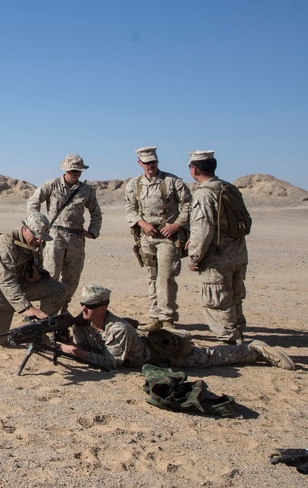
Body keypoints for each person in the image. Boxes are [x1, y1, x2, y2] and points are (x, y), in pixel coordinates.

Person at [59, 284, 294, 371]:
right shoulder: (83, 324)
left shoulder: (118, 328)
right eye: (82, 305)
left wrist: (75, 352)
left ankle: (253, 350)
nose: (84, 309)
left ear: (104, 307)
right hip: (137, 353)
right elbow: (87, 349)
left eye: (90, 306)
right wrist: (69, 345)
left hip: (159, 357)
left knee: (208, 357)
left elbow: (111, 363)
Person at [0, 211, 68, 344]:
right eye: (36, 236)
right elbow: (6, 281)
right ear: (25, 229)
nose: (39, 241)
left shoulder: (37, 243)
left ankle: (38, 330)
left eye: (42, 237)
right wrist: (27, 308)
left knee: (59, 289)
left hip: (21, 284)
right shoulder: (5, 245)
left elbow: (37, 264)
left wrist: (38, 275)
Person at [125, 146, 192, 331]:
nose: (150, 166)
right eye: (146, 163)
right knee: (152, 278)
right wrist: (142, 224)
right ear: (140, 163)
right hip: (146, 238)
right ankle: (154, 317)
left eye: (153, 162)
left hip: (167, 238)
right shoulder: (134, 184)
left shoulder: (173, 182)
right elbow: (130, 209)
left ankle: (167, 318)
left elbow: (188, 205)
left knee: (166, 278)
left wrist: (177, 224)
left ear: (157, 162)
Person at [187, 150, 249, 343]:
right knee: (234, 300)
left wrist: (194, 257)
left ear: (194, 169)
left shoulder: (205, 194)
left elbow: (203, 231)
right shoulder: (229, 188)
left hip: (217, 260)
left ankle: (229, 342)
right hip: (237, 256)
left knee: (217, 303)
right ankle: (238, 336)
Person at [27, 154, 102, 308]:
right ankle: (47, 308)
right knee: (50, 273)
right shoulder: (51, 185)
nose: (76, 174)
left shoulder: (86, 190)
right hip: (55, 236)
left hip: (76, 238)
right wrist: (37, 227)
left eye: (79, 171)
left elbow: (96, 213)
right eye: (73, 171)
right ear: (66, 170)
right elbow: (33, 202)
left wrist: (92, 232)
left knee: (72, 276)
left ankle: (63, 308)